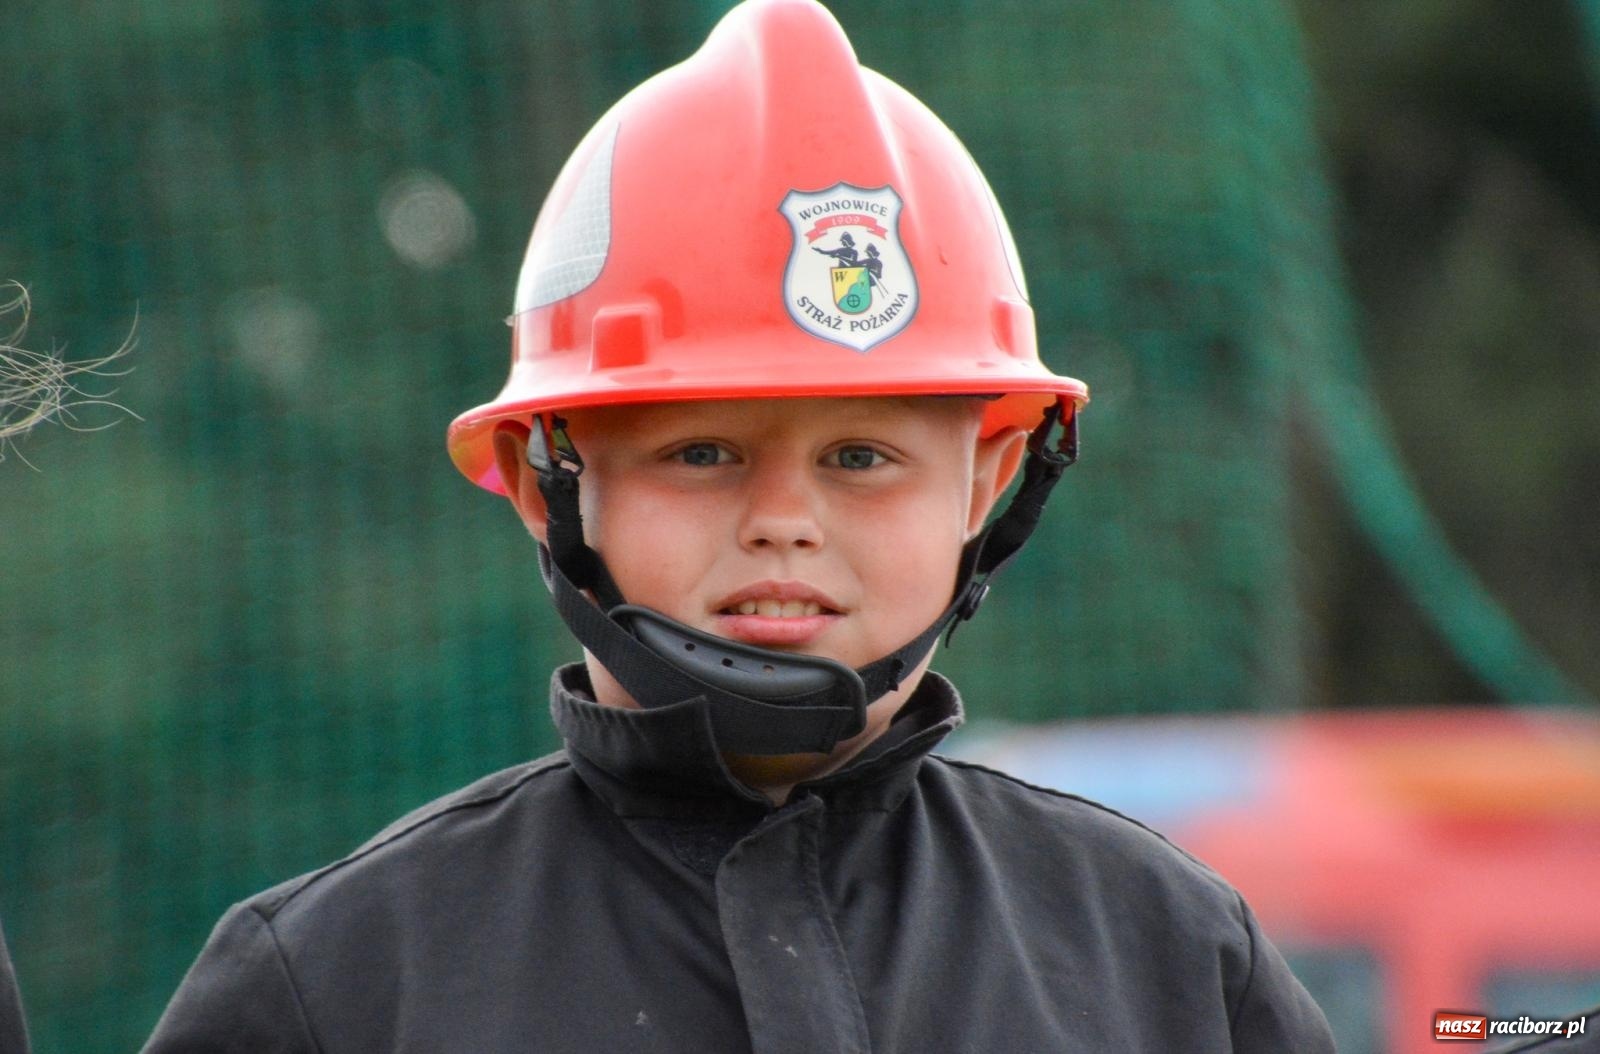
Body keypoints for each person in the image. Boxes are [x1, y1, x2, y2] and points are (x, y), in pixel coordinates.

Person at [143, 1, 1335, 1049]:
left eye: (861, 457)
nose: (783, 523)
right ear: (537, 477)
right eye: (701, 453)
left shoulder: (1163, 952)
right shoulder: (338, 984)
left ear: (988, 483)